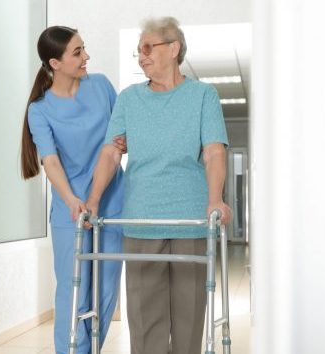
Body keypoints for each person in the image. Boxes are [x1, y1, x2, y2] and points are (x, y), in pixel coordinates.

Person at [85, 17, 231, 354]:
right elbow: (110, 152)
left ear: (174, 48)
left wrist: (215, 199)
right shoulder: (129, 99)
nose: (142, 56)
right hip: (141, 221)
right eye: (138, 51)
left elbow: (213, 152)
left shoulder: (203, 95)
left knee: (188, 319)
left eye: (149, 48)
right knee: (144, 319)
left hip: (191, 223)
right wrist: (93, 199)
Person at [20, 26, 125, 354]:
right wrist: (71, 200)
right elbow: (50, 161)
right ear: (55, 62)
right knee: (73, 289)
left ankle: (90, 349)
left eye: (84, 49)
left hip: (113, 200)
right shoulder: (40, 109)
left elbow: (123, 132)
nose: (86, 57)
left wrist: (124, 140)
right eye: (77, 52)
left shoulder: (102, 87)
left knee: (106, 290)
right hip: (71, 208)